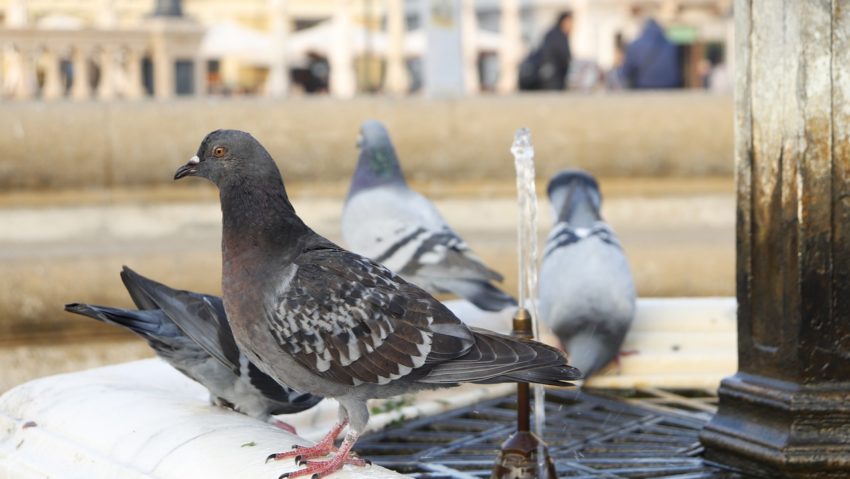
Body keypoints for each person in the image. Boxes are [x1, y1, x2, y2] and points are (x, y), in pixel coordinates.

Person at [518, 11, 572, 91]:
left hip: (549, 79)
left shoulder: (552, 34)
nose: (572, 26)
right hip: (552, 81)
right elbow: (563, 58)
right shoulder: (558, 37)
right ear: (564, 21)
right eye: (570, 22)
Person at [622, 18, 681, 89]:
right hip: (670, 86)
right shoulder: (671, 44)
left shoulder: (635, 45)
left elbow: (627, 70)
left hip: (645, 86)